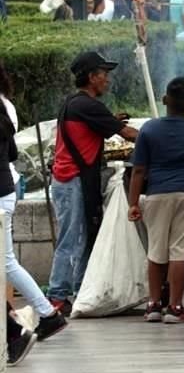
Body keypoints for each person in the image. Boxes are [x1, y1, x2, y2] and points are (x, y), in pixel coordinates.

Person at [47, 52, 138, 313]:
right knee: (71, 237)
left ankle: (80, 289)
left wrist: (112, 120)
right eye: (104, 74)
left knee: (82, 236)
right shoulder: (88, 106)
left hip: (70, 179)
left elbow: (102, 125)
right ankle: (57, 294)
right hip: (72, 179)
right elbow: (128, 134)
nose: (107, 80)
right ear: (91, 77)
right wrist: (160, 141)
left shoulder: (74, 103)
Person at [128, 78, 184, 324]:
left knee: (156, 249)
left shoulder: (149, 129)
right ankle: (175, 306)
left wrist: (133, 203)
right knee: (180, 252)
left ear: (165, 100)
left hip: (156, 194)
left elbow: (138, 170)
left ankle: (153, 304)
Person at [0, 62, 69, 341]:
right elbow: (13, 152)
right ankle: (23, 322)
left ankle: (40, 317)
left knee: (6, 263)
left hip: (1, 191)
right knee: (6, 261)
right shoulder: (5, 107)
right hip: (6, 188)